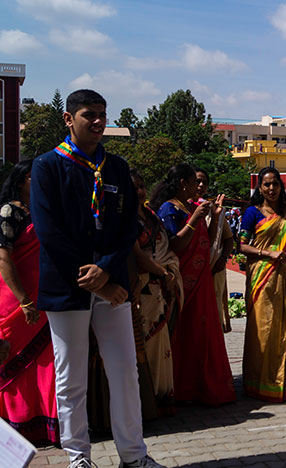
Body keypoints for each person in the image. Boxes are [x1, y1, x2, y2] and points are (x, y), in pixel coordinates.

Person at [29, 89, 164, 467]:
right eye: (89, 114)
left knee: (124, 372)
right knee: (71, 378)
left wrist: (105, 269)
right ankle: (78, 457)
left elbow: (125, 228)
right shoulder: (47, 166)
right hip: (66, 284)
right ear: (68, 119)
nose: (99, 121)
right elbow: (48, 230)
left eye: (103, 114)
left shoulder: (117, 167)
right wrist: (95, 278)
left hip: (113, 282)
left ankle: (134, 456)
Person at [151, 164, 235, 406]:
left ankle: (205, 386)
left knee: (205, 332)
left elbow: (205, 241)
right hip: (183, 284)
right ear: (182, 184)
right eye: (193, 181)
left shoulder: (189, 207)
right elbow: (175, 245)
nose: (198, 186)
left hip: (202, 279)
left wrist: (215, 217)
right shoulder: (169, 208)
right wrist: (195, 218)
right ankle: (185, 389)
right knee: (185, 334)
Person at [239, 168, 286, 402]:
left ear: (281, 187)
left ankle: (285, 382)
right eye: (266, 185)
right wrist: (267, 253)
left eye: (275, 184)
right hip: (262, 277)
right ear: (259, 188)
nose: (271, 189)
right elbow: (241, 246)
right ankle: (259, 382)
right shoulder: (252, 213)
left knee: (284, 329)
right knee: (262, 329)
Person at [0, 159, 58, 445]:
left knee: (45, 364)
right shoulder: (9, 211)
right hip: (16, 299)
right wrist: (24, 300)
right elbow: (3, 256)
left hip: (43, 296)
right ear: (23, 180)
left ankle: (44, 426)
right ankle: (15, 427)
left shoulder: (42, 211)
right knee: (16, 365)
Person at [130, 169, 179, 413]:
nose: (139, 191)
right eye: (133, 187)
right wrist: (162, 272)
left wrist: (167, 273)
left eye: (141, 186)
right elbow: (136, 256)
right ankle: (145, 401)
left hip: (159, 287)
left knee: (161, 343)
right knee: (143, 344)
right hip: (140, 287)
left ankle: (161, 395)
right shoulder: (124, 219)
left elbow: (165, 248)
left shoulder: (151, 216)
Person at [193, 168, 233, 333]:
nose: (201, 185)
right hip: (191, 274)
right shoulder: (179, 209)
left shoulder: (212, 209)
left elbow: (228, 238)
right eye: (197, 181)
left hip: (214, 270)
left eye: (204, 182)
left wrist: (222, 259)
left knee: (212, 319)